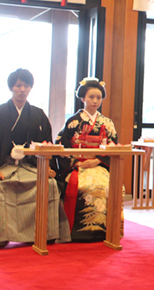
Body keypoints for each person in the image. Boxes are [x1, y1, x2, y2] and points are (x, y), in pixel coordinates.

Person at [0, 68, 71, 247]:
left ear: (30, 88)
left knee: (50, 185)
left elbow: (47, 143)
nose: (22, 90)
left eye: (26, 86)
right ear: (11, 88)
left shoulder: (38, 116)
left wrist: (47, 167)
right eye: (18, 86)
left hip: (31, 166)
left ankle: (43, 232)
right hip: (3, 166)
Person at [56, 78, 118, 242]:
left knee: (107, 185)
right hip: (78, 165)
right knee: (83, 185)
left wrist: (97, 161)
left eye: (98, 97)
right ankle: (78, 232)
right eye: (91, 97)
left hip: (99, 165)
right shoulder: (73, 122)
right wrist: (76, 163)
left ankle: (105, 231)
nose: (95, 101)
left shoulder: (108, 123)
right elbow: (62, 146)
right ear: (83, 98)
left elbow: (113, 147)